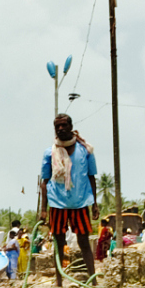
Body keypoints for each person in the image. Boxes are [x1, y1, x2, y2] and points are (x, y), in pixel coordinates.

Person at [38, 113, 98, 277]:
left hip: (80, 203)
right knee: (58, 242)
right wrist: (43, 209)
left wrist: (95, 204)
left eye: (64, 125)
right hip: (57, 204)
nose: (61, 129)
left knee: (84, 242)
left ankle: (93, 279)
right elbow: (44, 182)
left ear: (71, 127)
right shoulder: (49, 153)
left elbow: (91, 177)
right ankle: (59, 282)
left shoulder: (85, 151)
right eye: (57, 126)